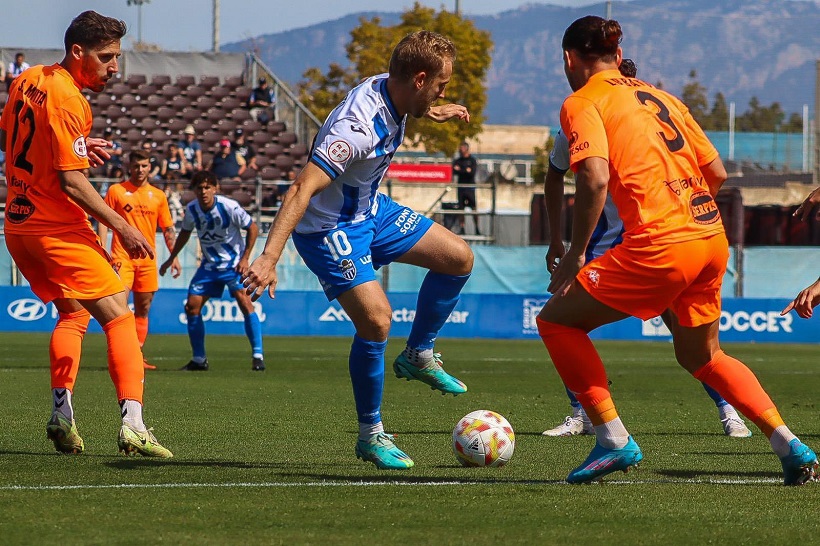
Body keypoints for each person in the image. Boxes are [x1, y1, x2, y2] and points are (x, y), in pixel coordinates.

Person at [536, 15, 816, 485]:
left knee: (556, 321)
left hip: (660, 244)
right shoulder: (663, 96)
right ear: (618, 56)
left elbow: (594, 177)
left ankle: (612, 439)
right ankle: (790, 444)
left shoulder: (582, 101)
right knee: (702, 356)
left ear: (569, 58)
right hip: (709, 238)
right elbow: (718, 174)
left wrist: (575, 252)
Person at [242, 30, 473, 470]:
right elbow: (300, 189)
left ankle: (418, 354)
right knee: (377, 320)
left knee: (459, 257)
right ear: (420, 78)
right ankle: (371, 434)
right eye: (441, 85)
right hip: (329, 228)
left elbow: (406, 102)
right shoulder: (355, 129)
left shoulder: (397, 88)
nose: (444, 91)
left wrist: (433, 110)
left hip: (371, 211)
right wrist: (270, 256)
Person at [541, 59, 751, 440]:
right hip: (610, 240)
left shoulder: (624, 115)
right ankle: (582, 413)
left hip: (656, 238)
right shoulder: (581, 120)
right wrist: (561, 239)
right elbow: (555, 176)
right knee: (561, 313)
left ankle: (727, 409)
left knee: (684, 332)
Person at [0, 10, 172, 457]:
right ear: (78, 52)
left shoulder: (29, 78)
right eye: (106, 57)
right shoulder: (70, 99)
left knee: (73, 314)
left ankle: (62, 414)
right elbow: (72, 183)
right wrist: (124, 226)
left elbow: (11, 138)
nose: (114, 67)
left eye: (116, 57)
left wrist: (74, 146)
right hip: (54, 226)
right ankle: (134, 422)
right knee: (118, 315)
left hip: (18, 225)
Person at [159, 170, 265, 371]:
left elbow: (253, 228)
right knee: (192, 306)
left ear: (215, 188)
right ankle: (199, 359)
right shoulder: (192, 210)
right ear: (194, 190)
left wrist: (245, 258)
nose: (204, 191)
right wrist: (171, 258)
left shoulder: (229, 207)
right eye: (199, 188)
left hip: (233, 265)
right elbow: (185, 233)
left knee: (245, 302)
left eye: (208, 187)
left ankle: (257, 356)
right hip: (208, 267)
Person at [98, 148, 182, 370]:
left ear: (150, 167)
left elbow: (167, 228)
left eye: (144, 165)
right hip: (122, 256)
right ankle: (118, 353)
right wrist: (101, 247)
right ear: (129, 167)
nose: (140, 170)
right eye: (136, 166)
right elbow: (104, 220)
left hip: (147, 260)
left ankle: (135, 354)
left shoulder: (158, 196)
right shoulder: (117, 191)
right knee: (118, 304)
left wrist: (173, 256)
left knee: (143, 308)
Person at [451, 141, 481, 235]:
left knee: (473, 208)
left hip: (470, 188)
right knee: (461, 209)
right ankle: (462, 228)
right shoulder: (458, 160)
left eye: (462, 148)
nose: (460, 150)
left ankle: (477, 229)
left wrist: (461, 170)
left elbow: (471, 173)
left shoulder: (472, 160)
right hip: (461, 188)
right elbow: (454, 172)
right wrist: (465, 170)